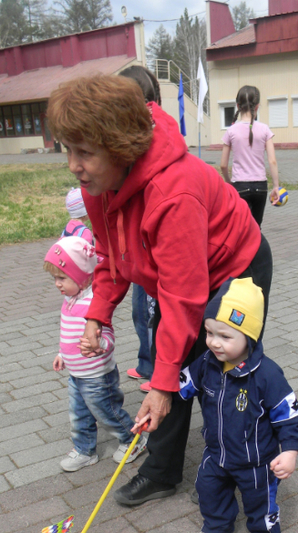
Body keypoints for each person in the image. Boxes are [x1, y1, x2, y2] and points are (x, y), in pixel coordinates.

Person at [47, 74, 273, 506]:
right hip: (185, 275)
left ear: (120, 148)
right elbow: (112, 254)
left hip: (237, 265)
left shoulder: (173, 192)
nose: (74, 165)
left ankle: (239, 467)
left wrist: (164, 381)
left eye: (85, 153)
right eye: (68, 150)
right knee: (169, 363)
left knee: (223, 367)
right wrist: (98, 314)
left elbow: (183, 299)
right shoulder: (99, 186)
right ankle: (162, 472)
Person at [179, 277, 298, 533]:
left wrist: (290, 451)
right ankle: (218, 525)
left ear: (249, 337)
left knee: (260, 502)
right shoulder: (207, 362)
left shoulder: (267, 375)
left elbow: (289, 417)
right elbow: (183, 384)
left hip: (256, 461)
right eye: (209, 333)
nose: (214, 342)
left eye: (225, 337)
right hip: (217, 453)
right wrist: (163, 393)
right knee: (208, 489)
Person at [43, 235, 148, 472]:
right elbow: (68, 332)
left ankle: (133, 440)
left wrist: (100, 344)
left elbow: (108, 336)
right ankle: (84, 450)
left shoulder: (94, 303)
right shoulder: (69, 300)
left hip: (98, 377)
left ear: (83, 275)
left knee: (108, 413)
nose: (57, 284)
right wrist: (62, 354)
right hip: (76, 374)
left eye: (62, 278)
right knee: (79, 414)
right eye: (54, 279)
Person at [120, 65, 163, 394]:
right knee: (141, 311)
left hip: (157, 251)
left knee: (156, 315)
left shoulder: (156, 148)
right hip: (140, 250)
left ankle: (162, 373)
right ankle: (148, 363)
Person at [220, 85, 281, 227]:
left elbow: (223, 165)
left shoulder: (231, 131)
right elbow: (272, 161)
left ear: (237, 106)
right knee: (256, 228)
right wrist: (276, 186)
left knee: (241, 228)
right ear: (257, 106)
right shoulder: (265, 129)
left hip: (240, 185)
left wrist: (229, 182)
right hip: (260, 186)